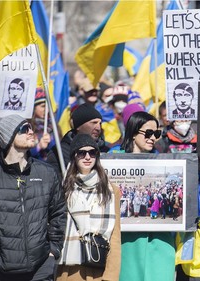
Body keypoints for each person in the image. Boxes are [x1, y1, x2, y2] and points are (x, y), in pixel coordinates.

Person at [0, 114, 66, 281]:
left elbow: (59, 213)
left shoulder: (47, 172)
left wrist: (53, 251)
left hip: (40, 269)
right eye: (23, 129)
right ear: (8, 137)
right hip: (0, 270)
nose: (31, 132)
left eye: (30, 128)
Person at [118, 111, 175, 281]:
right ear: (133, 133)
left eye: (157, 134)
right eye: (148, 133)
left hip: (159, 244)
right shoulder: (114, 159)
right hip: (125, 243)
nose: (153, 138)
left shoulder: (163, 162)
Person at [57, 134, 121, 281]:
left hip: (98, 268)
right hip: (70, 268)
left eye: (92, 153)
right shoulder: (62, 187)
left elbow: (115, 237)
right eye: (82, 153)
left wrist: (111, 276)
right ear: (74, 156)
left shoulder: (111, 190)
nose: (87, 157)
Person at [47, 103, 109, 175]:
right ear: (79, 126)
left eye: (100, 123)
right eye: (94, 123)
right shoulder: (59, 152)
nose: (98, 128)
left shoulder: (106, 150)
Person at [30, 87, 55, 161]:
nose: (46, 110)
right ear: (34, 108)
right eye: (43, 106)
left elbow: (59, 151)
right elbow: (24, 153)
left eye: (47, 106)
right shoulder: (28, 127)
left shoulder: (53, 125)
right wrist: (39, 146)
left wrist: (51, 142)